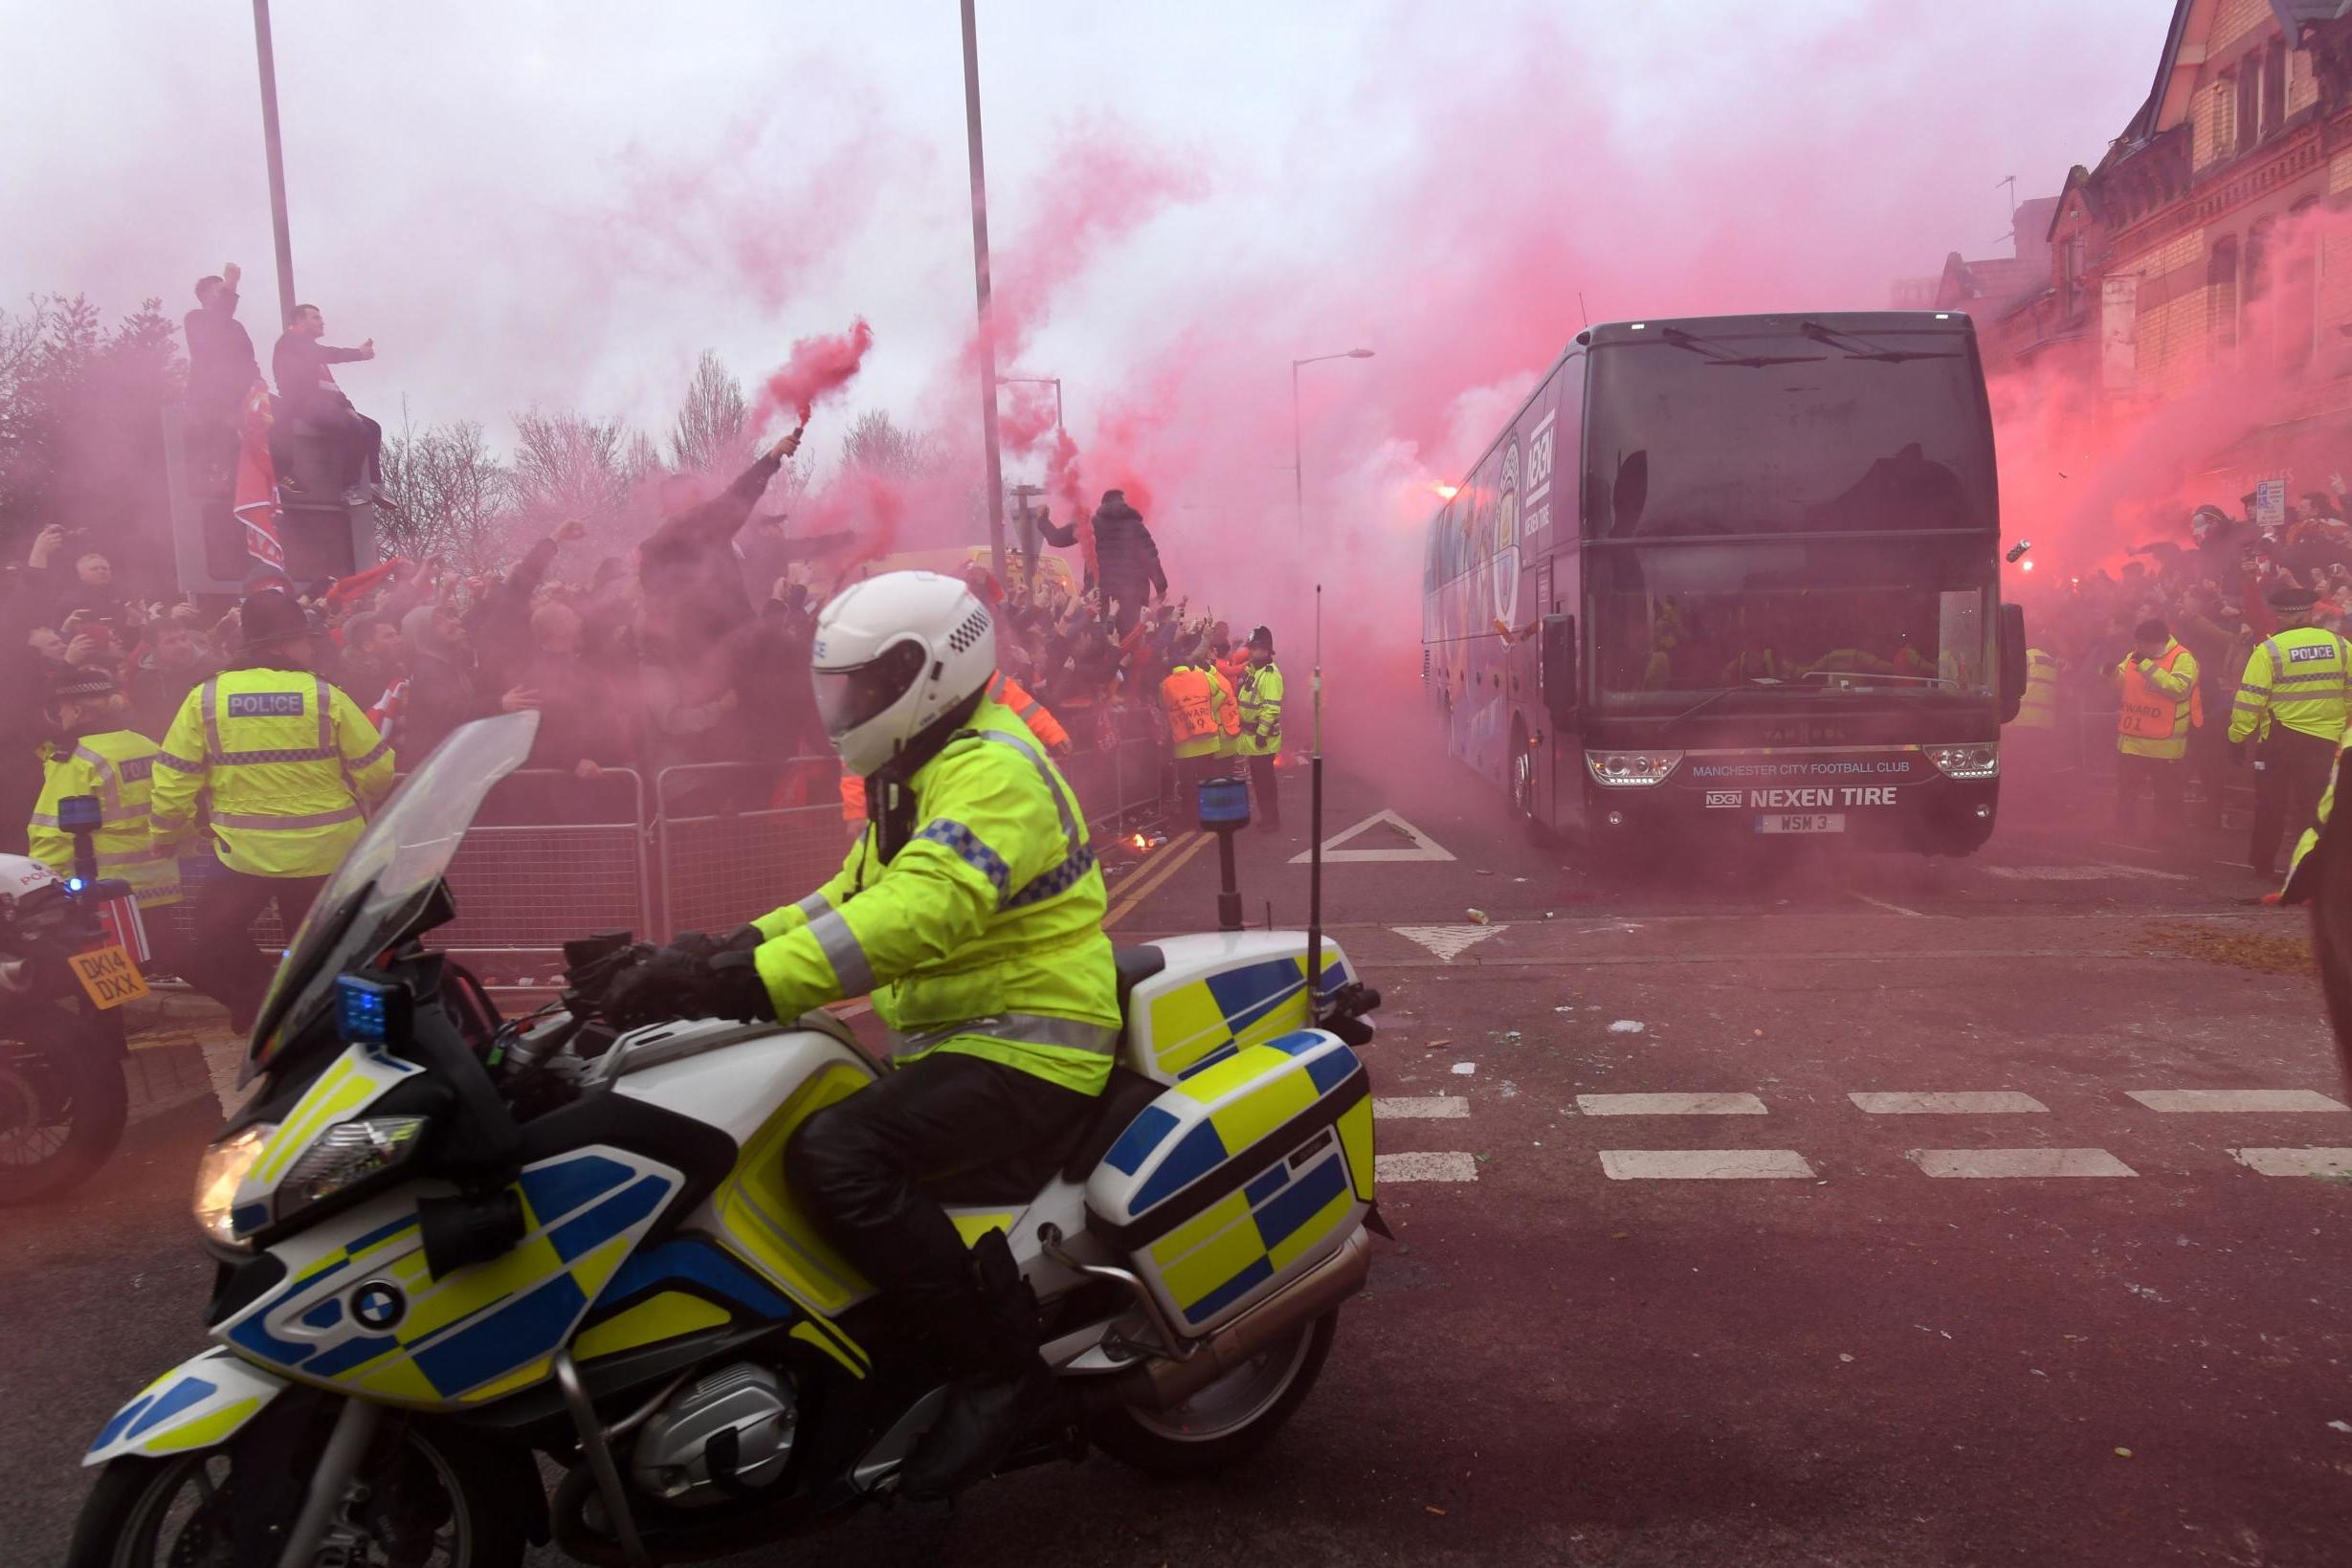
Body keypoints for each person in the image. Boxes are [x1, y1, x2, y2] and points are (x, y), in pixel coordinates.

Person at [607, 570, 1117, 1509]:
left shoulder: (993, 770)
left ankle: (998, 1370)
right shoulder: (921, 768)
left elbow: (921, 912)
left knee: (838, 1153)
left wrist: (747, 984)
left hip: (1034, 1041)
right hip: (966, 1036)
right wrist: (722, 948)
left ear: (928, 674)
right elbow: (853, 896)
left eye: (862, 689)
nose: (845, 708)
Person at [151, 589, 395, 1030]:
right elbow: (378, 772)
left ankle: (260, 1006)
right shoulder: (325, 695)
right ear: (283, 644)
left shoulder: (206, 698)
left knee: (211, 937)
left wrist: (166, 835)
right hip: (327, 854)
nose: (311, 647)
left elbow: (173, 779)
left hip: (243, 857)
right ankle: (324, 1029)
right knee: (321, 952)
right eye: (305, 639)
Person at [29, 666, 185, 919]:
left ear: (77, 711)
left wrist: (38, 887)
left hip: (104, 893)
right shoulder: (146, 745)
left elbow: (52, 832)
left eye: (62, 709)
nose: (60, 715)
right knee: (162, 956)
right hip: (162, 886)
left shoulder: (75, 759)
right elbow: (178, 807)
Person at [2228, 586, 2350, 877]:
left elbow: (2250, 699)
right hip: (2325, 741)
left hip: (2280, 742)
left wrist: (2236, 737)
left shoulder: (2269, 650)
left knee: (2271, 804)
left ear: (2281, 616)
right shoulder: (2342, 646)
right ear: (2310, 613)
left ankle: (2263, 864)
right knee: (2317, 805)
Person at [271, 303, 382, 504]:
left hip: (323, 403)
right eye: (315, 317)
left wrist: (348, 408)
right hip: (303, 404)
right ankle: (349, 489)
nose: (321, 321)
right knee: (357, 430)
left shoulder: (313, 356)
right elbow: (327, 353)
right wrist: (357, 354)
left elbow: (331, 389)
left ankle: (375, 485)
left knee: (372, 428)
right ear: (299, 321)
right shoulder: (291, 341)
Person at [2113, 616, 2202, 835]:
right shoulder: (2136, 656)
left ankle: (2166, 834)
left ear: (2157, 643)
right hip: (2133, 739)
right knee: (2126, 791)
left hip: (2164, 743)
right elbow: (2124, 682)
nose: (2137, 648)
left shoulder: (2182, 658)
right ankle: (2124, 830)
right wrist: (2112, 675)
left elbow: (2179, 688)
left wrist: (2147, 666)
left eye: (2142, 644)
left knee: (2166, 794)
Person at [183, 265, 261, 431]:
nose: (225, 292)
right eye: (221, 290)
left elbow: (248, 359)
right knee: (220, 449)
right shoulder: (195, 318)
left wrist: (258, 383)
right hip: (209, 401)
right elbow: (218, 323)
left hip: (242, 398)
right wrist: (231, 281)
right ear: (203, 295)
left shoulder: (237, 326)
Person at [1089, 490, 1165, 634]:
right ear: (1122, 502)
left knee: (1109, 638)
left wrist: (1043, 520)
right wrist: (1161, 588)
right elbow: (1150, 558)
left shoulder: (1093, 524)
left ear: (1103, 504)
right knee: (1132, 640)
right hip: (1134, 596)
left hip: (1106, 596)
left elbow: (1057, 538)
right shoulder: (1135, 526)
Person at [1237, 624, 1287, 828]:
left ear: (1266, 649)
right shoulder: (1254, 671)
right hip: (1252, 737)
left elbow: (1271, 709)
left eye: (1255, 647)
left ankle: (1271, 820)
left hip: (1262, 739)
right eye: (1251, 647)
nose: (1251, 650)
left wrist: (1261, 733)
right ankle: (1267, 817)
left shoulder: (1270, 675)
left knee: (1265, 782)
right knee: (1258, 781)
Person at [1159, 646, 1228, 790]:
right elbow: (1217, 690)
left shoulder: (1165, 685)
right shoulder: (1203, 676)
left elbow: (1163, 705)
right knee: (1208, 787)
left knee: (1189, 791)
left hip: (1184, 748)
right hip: (1207, 743)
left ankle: (1191, 813)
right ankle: (1209, 812)